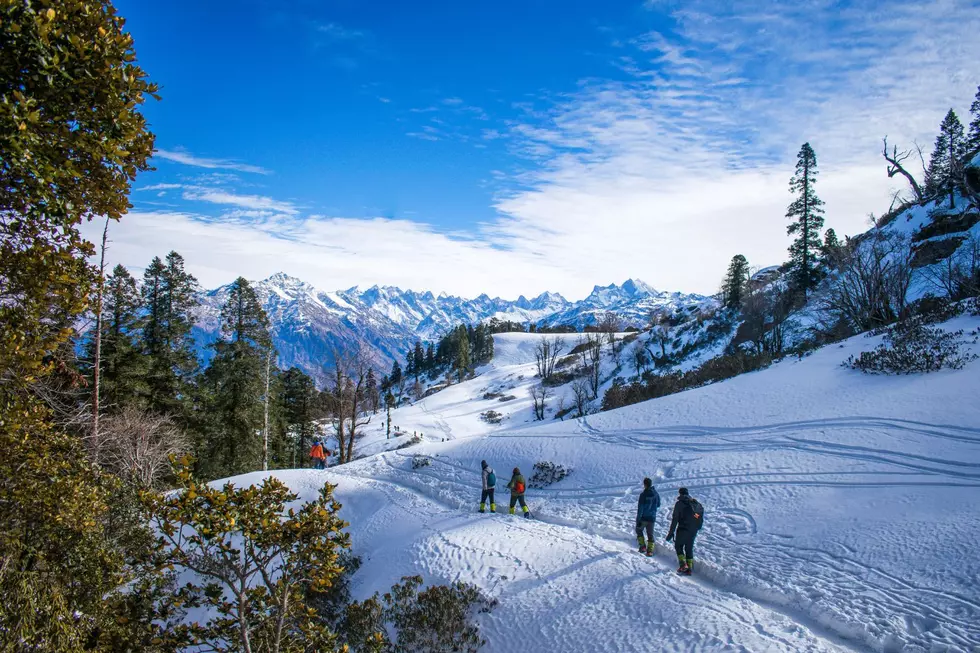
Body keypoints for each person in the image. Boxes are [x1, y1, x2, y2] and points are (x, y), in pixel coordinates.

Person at [665, 487, 701, 575]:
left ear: (680, 493)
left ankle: (683, 564)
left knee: (678, 546)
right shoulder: (695, 503)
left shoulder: (679, 504)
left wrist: (671, 533)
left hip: (683, 529)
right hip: (693, 530)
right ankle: (689, 568)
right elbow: (699, 518)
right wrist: (696, 528)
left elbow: (675, 520)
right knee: (689, 548)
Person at [635, 477, 661, 557]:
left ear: (645, 484)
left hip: (643, 518)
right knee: (650, 534)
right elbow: (658, 504)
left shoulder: (643, 495)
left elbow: (640, 508)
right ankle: (650, 551)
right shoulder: (656, 494)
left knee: (638, 530)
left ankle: (642, 547)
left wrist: (638, 520)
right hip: (652, 517)